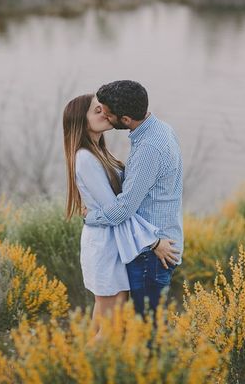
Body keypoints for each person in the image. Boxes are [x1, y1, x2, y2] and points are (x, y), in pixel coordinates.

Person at [63, 93, 178, 340]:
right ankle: (78, 373)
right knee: (112, 329)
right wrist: (154, 241)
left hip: (110, 243)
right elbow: (119, 210)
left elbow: (118, 206)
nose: (105, 113)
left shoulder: (97, 152)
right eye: (97, 111)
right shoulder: (85, 158)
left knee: (102, 322)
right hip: (105, 247)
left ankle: (84, 368)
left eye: (103, 108)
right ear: (81, 123)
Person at [83, 80, 184, 316]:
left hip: (151, 252)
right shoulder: (161, 129)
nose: (105, 117)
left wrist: (90, 217)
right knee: (146, 324)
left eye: (108, 114)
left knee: (147, 328)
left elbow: (124, 209)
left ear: (126, 119)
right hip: (157, 244)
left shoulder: (149, 148)